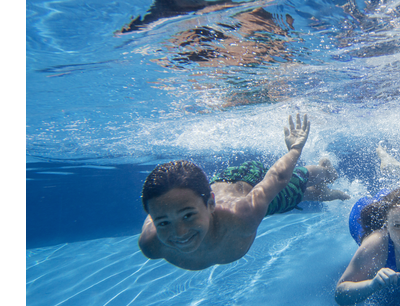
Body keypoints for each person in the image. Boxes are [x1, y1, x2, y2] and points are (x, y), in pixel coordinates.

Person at [139, 114, 350, 270]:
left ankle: (326, 172)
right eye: (164, 222)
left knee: (296, 182)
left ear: (210, 204)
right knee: (291, 198)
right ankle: (322, 193)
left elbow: (277, 178)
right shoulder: (151, 244)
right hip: (220, 185)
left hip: (251, 181)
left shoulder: (243, 213)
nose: (179, 232)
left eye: (188, 215)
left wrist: (295, 149)